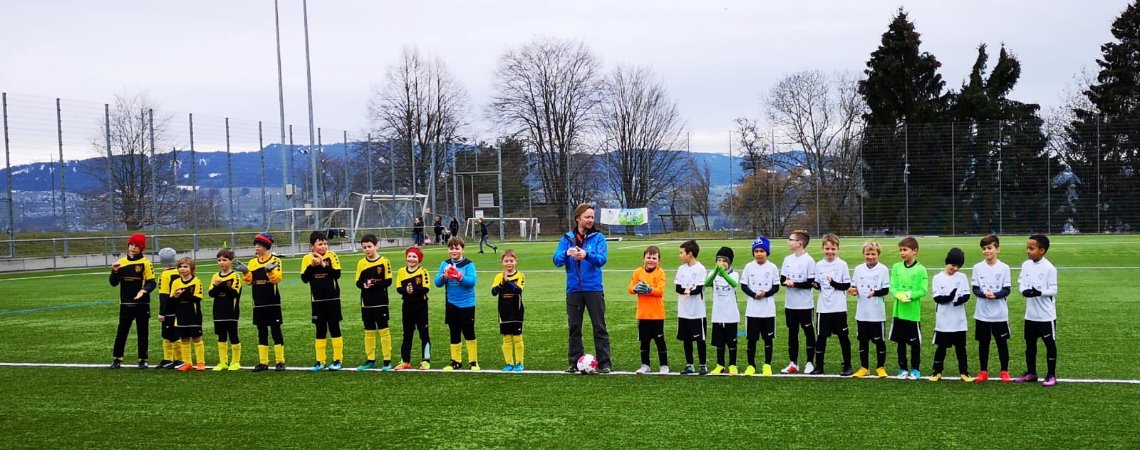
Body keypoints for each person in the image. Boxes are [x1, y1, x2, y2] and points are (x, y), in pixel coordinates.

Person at [553, 204, 611, 373]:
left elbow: (601, 259)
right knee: (574, 327)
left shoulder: (598, 237)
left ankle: (605, 363)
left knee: (599, 326)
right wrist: (566, 254)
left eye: (592, 217)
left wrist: (587, 255)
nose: (590, 220)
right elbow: (556, 260)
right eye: (587, 217)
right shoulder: (567, 238)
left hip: (593, 288)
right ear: (578, 218)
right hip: (574, 290)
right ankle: (574, 362)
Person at [1016, 234, 1059, 387]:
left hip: (1046, 316)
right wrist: (1024, 291)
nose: (1028, 251)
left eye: (1031, 248)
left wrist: (1039, 292)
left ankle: (1051, 374)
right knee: (1030, 345)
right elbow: (1021, 282)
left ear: (1042, 250)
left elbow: (1053, 290)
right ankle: (1031, 372)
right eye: (1027, 248)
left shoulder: (1049, 268)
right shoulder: (1026, 265)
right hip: (1030, 315)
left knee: (1049, 345)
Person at [108, 232, 155, 369]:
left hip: (142, 304)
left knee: (143, 332)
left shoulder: (145, 263)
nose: (133, 248)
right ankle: (117, 358)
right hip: (125, 303)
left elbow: (151, 282)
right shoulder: (121, 263)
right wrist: (114, 272)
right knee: (122, 331)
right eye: (131, 245)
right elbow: (113, 283)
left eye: (136, 246)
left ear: (141, 248)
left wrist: (143, 291)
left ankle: (143, 359)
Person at [971, 234, 1013, 383]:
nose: (986, 251)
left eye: (989, 248)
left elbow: (1007, 290)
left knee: (1002, 343)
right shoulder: (977, 267)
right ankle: (983, 371)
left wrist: (995, 295)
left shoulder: (1004, 268)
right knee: (984, 343)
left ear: (997, 249)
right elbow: (975, 289)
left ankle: (1004, 371)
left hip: (999, 315)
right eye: (984, 248)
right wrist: (983, 294)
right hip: (982, 314)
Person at [301, 230, 344, 372]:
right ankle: (320, 361)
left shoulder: (332, 256)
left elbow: (337, 274)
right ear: (312, 246)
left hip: (333, 299)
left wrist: (324, 265)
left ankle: (338, 359)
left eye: (325, 243)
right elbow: (304, 279)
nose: (324, 246)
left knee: (334, 328)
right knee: (320, 330)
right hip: (317, 301)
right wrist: (312, 266)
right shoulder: (307, 259)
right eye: (320, 244)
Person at [811, 234, 853, 376]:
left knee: (843, 336)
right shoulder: (819, 265)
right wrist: (815, 284)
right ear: (823, 248)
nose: (830, 251)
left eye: (833, 249)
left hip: (839, 308)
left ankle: (847, 365)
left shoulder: (842, 265)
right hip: (823, 308)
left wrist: (833, 283)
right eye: (827, 248)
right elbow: (818, 284)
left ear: (838, 249)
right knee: (821, 337)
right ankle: (819, 366)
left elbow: (846, 285)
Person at [244, 232, 286, 372]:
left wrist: (270, 271)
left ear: (267, 246)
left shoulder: (275, 260)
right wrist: (245, 272)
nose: (257, 247)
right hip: (258, 301)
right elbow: (249, 281)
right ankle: (263, 362)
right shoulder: (252, 262)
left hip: (272, 301)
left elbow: (277, 279)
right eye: (256, 245)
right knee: (261, 331)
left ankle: (280, 361)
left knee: (275, 330)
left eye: (260, 245)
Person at [929, 248, 973, 382]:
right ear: (947, 262)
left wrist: (959, 300)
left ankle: (964, 372)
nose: (955, 269)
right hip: (943, 321)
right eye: (952, 265)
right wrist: (949, 297)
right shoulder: (937, 278)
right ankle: (936, 372)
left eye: (958, 267)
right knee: (941, 348)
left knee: (961, 349)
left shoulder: (962, 277)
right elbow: (937, 298)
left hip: (959, 322)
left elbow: (966, 294)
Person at [435, 237, 479, 371]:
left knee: (468, 332)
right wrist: (444, 277)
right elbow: (437, 282)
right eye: (451, 248)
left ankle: (473, 362)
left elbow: (471, 282)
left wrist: (459, 276)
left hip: (467, 304)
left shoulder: (469, 264)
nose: (454, 251)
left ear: (462, 249)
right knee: (454, 332)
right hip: (451, 303)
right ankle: (455, 361)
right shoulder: (444, 264)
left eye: (457, 248)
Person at [848, 240, 891, 378]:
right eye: (867, 254)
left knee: (879, 341)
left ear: (878, 254)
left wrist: (875, 293)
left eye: (873, 254)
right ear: (864, 254)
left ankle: (880, 367)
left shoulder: (883, 269)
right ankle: (864, 367)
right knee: (863, 341)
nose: (870, 257)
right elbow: (854, 286)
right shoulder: (859, 269)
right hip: (862, 313)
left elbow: (886, 290)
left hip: (877, 314)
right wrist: (853, 290)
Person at [740, 236, 780, 376]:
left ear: (767, 252)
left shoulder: (773, 267)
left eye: (762, 251)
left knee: (768, 339)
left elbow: (776, 287)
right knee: (751, 339)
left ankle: (767, 365)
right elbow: (744, 286)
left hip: (768, 311)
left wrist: (765, 294)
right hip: (752, 311)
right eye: (756, 251)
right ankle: (751, 365)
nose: (759, 254)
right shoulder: (748, 267)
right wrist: (753, 294)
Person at [890, 236, 928, 380]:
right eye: (900, 250)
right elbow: (892, 286)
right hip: (899, 312)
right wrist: (899, 294)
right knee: (900, 342)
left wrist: (909, 294)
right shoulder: (896, 267)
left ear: (915, 251)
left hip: (912, 313)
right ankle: (902, 368)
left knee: (914, 343)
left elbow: (923, 290)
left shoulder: (921, 270)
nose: (902, 253)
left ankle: (915, 369)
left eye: (905, 250)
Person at [779, 230, 816, 374]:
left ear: (799, 243)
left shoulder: (809, 261)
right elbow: (782, 280)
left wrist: (795, 284)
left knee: (808, 332)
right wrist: (786, 282)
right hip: (790, 305)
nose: (788, 242)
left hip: (805, 305)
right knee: (792, 334)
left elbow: (810, 282)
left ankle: (809, 362)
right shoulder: (787, 260)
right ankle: (793, 363)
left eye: (790, 239)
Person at [354, 234, 393, 371]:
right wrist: (364, 285)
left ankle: (387, 360)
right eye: (364, 247)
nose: (367, 249)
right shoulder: (361, 263)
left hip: (380, 302)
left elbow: (388, 281)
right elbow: (358, 282)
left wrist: (374, 285)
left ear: (376, 246)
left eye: (369, 246)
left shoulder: (384, 261)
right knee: (368, 331)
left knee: (383, 330)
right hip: (366, 303)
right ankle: (370, 360)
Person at [628, 246, 669, 375]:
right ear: (643, 258)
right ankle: (645, 365)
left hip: (657, 314)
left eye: (654, 258)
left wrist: (649, 289)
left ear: (659, 261)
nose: (651, 260)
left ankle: (664, 365)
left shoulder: (660, 272)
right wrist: (636, 288)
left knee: (659, 341)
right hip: (643, 314)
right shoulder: (637, 272)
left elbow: (660, 291)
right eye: (648, 257)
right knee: (644, 341)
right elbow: (630, 289)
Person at [394, 247, 432, 370]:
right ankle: (405, 361)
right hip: (407, 306)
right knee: (407, 334)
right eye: (409, 256)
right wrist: (406, 290)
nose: (411, 259)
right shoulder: (401, 271)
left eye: (414, 256)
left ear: (419, 259)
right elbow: (398, 288)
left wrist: (413, 289)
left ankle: (426, 360)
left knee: (423, 333)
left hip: (421, 305)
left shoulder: (423, 271)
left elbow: (426, 288)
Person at [705, 246, 741, 375]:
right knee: (719, 343)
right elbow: (706, 283)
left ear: (729, 262)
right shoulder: (712, 274)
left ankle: (732, 364)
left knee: (732, 343)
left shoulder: (734, 274)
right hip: (718, 315)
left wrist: (723, 273)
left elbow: (733, 283)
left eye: (724, 261)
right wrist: (715, 271)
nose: (721, 263)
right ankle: (720, 364)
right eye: (718, 260)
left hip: (731, 314)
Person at [675, 240, 708, 375]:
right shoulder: (681, 269)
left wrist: (689, 290)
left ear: (690, 254)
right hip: (684, 311)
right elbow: (677, 287)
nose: (680, 255)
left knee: (700, 339)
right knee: (686, 339)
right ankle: (689, 364)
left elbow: (698, 289)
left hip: (697, 312)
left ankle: (703, 365)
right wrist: (686, 290)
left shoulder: (700, 269)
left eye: (681, 253)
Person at [208, 248, 244, 371]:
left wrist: (221, 285)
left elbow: (234, 293)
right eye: (219, 260)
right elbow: (211, 293)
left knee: (233, 335)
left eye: (224, 260)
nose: (221, 262)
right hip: (218, 311)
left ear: (231, 261)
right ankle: (223, 361)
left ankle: (235, 361)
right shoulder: (215, 276)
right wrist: (217, 286)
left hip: (231, 311)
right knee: (221, 336)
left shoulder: (235, 276)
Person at [493, 249, 526, 372]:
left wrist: (508, 281)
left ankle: (519, 363)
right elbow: (494, 292)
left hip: (516, 312)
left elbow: (518, 290)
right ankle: (509, 363)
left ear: (516, 261)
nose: (509, 263)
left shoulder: (520, 275)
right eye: (506, 261)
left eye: (511, 261)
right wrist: (502, 283)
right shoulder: (498, 276)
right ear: (502, 262)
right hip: (504, 312)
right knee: (506, 338)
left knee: (517, 338)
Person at [172, 257, 206, 372]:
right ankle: (188, 363)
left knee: (196, 338)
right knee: (184, 339)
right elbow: (172, 300)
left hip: (194, 315)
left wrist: (182, 294)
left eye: (185, 267)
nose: (182, 269)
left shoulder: (196, 281)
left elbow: (197, 299)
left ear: (191, 269)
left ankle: (201, 363)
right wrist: (176, 297)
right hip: (181, 315)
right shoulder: (176, 282)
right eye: (180, 267)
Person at [156, 247, 181, 369]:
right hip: (180, 308)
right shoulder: (179, 272)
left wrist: (162, 312)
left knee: (168, 334)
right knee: (174, 334)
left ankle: (173, 359)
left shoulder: (165, 275)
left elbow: (164, 295)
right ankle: (172, 359)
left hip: (169, 310)